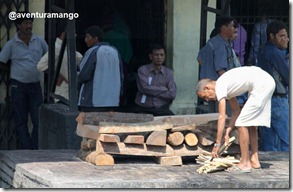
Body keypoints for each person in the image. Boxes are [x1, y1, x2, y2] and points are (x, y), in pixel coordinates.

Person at [195, 66, 275, 173]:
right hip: (265, 82)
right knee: (250, 124)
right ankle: (254, 160)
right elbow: (236, 111)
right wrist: (228, 130)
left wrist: (217, 144)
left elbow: (222, 116)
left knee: (242, 123)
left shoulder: (220, 86)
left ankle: (245, 163)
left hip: (262, 84)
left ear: (207, 87)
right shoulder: (226, 86)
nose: (207, 99)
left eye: (205, 96)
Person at [0, 12, 48, 149]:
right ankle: (26, 150)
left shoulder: (39, 41)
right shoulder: (11, 44)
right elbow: (2, 61)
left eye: (30, 23)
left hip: (35, 87)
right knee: (21, 121)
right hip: (18, 86)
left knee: (38, 120)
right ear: (18, 25)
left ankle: (34, 149)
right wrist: (14, 71)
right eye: (26, 23)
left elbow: (49, 57)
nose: (29, 26)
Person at [257, 20, 289, 151]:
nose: (286, 39)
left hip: (265, 99)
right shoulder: (275, 53)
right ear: (272, 36)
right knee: (285, 140)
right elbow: (288, 77)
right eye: (281, 36)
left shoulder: (263, 51)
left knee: (269, 141)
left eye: (286, 36)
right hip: (278, 99)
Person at [197, 16, 239, 113]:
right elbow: (221, 71)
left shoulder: (212, 42)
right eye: (232, 26)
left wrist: (208, 69)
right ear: (224, 28)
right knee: (224, 117)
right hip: (219, 87)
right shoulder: (220, 45)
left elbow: (199, 58)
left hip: (209, 85)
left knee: (215, 117)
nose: (235, 29)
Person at [78, 25, 123, 112]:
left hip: (93, 101)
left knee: (89, 125)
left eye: (88, 37)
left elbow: (83, 75)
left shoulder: (93, 51)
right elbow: (121, 76)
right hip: (112, 101)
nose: (85, 40)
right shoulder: (115, 51)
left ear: (96, 38)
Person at [37, 19, 83, 104]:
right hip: (61, 96)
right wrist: (57, 75)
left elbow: (81, 59)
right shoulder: (57, 48)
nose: (75, 35)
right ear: (63, 34)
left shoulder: (67, 49)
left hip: (68, 94)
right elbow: (41, 65)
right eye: (73, 33)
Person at [133, 43, 176, 116]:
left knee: (173, 122)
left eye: (161, 55)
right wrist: (163, 89)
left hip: (161, 108)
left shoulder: (169, 73)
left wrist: (151, 91)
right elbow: (144, 89)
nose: (159, 57)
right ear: (151, 56)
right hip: (143, 108)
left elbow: (172, 94)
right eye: (156, 55)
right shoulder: (143, 70)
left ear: (164, 57)